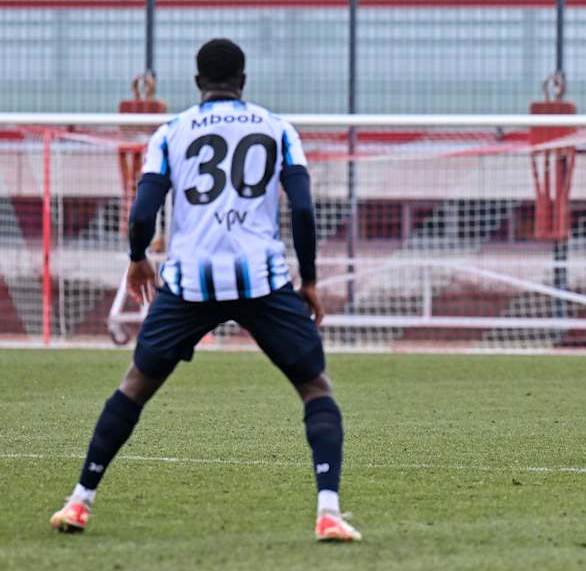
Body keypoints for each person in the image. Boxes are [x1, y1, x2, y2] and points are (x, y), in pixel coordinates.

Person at [49, 39, 361, 541]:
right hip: (260, 279)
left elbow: (143, 211)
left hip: (189, 281)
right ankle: (328, 512)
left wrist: (137, 259)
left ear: (198, 82)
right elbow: (303, 210)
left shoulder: (170, 133)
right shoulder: (278, 129)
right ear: (244, 79)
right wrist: (309, 281)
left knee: (135, 385)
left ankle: (79, 502)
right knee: (315, 388)